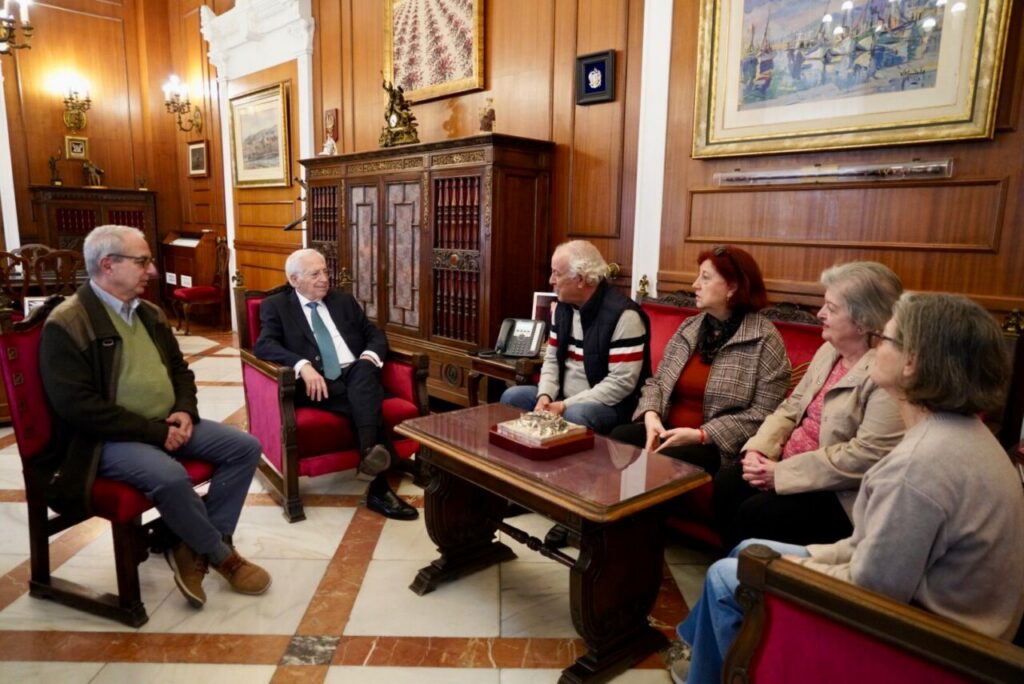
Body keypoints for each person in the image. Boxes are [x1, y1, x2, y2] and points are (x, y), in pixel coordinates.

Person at [668, 293, 1024, 683]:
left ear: (912, 362)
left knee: (723, 576)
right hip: (944, 618)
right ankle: (711, 655)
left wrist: (782, 569)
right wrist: (790, 559)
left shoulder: (917, 465)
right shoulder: (963, 432)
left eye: (884, 339)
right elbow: (871, 551)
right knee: (749, 551)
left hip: (933, 647)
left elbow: (872, 594)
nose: (875, 346)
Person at [38, 225, 269, 610]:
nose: (153, 270)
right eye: (143, 261)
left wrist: (184, 411)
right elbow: (77, 406)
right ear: (108, 264)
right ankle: (220, 555)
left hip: (165, 422)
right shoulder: (69, 322)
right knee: (168, 475)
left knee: (244, 447)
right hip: (103, 440)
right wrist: (153, 433)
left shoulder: (149, 313)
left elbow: (181, 370)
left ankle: (191, 544)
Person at [715, 262, 905, 548]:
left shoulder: (887, 372)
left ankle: (754, 583)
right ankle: (734, 574)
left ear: (863, 320)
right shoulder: (830, 350)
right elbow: (791, 407)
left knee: (755, 514)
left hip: (837, 492)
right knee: (728, 483)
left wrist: (781, 475)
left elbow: (867, 456)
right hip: (784, 465)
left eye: (832, 307)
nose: (820, 314)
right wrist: (758, 450)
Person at [500, 239, 651, 546]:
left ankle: (572, 512)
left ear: (581, 280)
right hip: (563, 399)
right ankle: (523, 490)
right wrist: (544, 397)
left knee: (579, 416)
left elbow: (621, 384)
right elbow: (552, 362)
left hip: (609, 405)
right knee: (513, 399)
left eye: (557, 274)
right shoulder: (563, 309)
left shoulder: (625, 316)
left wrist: (564, 406)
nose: (551, 280)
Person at [254, 248, 417, 521]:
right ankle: (378, 481)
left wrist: (368, 358)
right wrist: (301, 365)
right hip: (319, 382)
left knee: (363, 378)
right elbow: (264, 344)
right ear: (294, 280)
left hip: (356, 371)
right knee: (365, 396)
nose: (324, 279)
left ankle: (370, 462)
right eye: (315, 274)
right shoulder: (277, 306)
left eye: (326, 272)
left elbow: (374, 334)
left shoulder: (343, 301)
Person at [610, 245, 790, 480]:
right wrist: (651, 415)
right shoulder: (690, 327)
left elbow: (764, 414)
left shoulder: (764, 339)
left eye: (705, 278)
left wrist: (703, 434)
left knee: (670, 459)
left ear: (732, 287)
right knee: (620, 437)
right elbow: (658, 382)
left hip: (716, 445)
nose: (695, 284)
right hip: (667, 428)